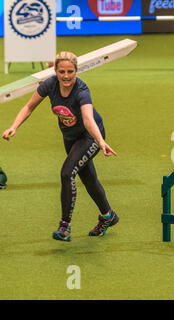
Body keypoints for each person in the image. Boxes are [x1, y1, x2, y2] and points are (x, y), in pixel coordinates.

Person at [2, 51, 119, 242]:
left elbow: (89, 120)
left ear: (76, 71)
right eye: (62, 71)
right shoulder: (50, 84)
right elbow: (29, 106)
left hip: (90, 136)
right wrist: (14, 126)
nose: (66, 76)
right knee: (88, 178)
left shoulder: (81, 91)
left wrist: (100, 141)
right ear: (55, 71)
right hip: (70, 137)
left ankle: (65, 227)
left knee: (67, 173)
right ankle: (108, 216)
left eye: (70, 72)